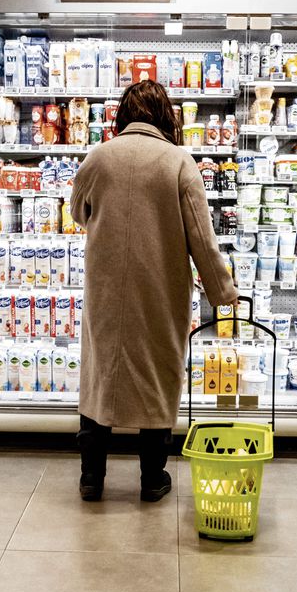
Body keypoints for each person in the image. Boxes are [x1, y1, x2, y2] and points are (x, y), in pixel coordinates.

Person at [71, 80, 238, 502]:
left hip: (106, 289)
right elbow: (202, 236)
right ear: (166, 118)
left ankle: (92, 477)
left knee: (100, 374)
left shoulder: (98, 157)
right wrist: (223, 293)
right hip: (161, 291)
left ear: (122, 117)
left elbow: (76, 210)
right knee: (157, 374)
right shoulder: (179, 162)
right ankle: (151, 479)